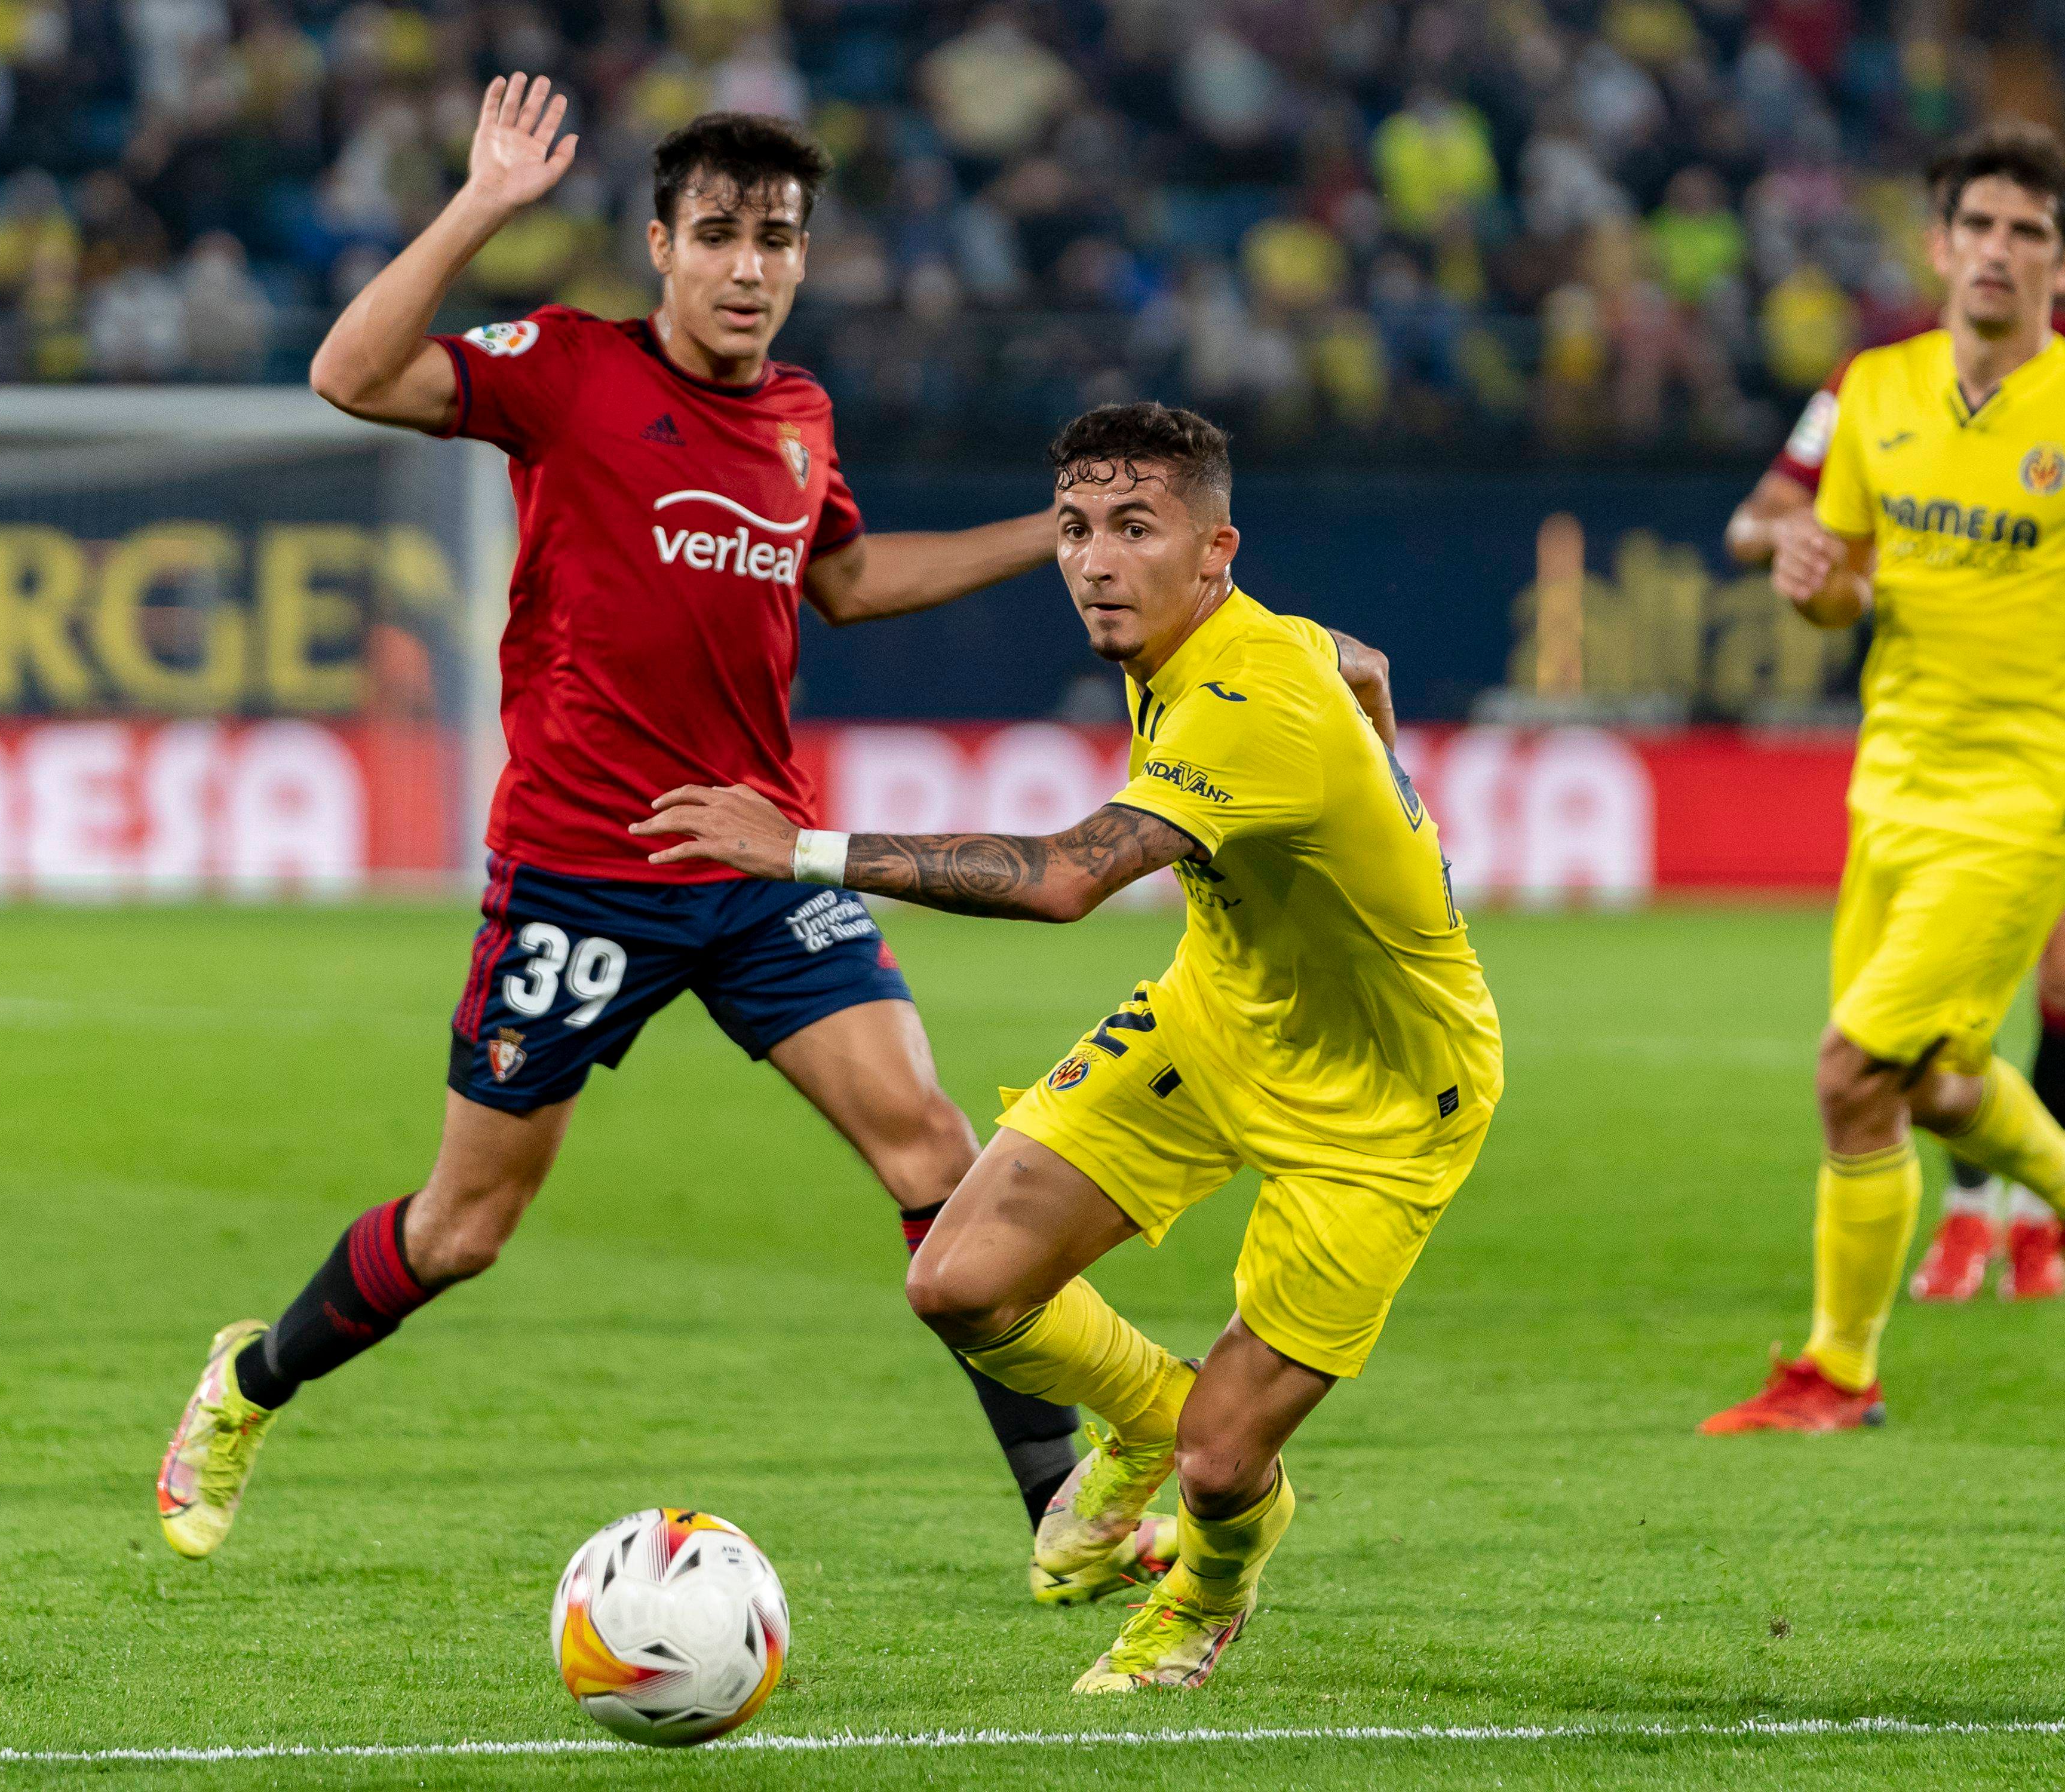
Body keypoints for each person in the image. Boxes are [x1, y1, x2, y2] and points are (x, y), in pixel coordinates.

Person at [156, 84, 1094, 1560]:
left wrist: (1058, 533)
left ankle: (1063, 1506)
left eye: (775, 239)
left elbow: (844, 582)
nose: (747, 266)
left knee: (932, 1150)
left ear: (802, 260)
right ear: (660, 245)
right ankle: (249, 1383)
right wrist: (481, 207)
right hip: (583, 874)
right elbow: (347, 373)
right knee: (464, 1230)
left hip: (758, 860)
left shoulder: (799, 415)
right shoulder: (570, 371)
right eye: (715, 234)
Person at [639, 400, 1503, 1692]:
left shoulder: (1251, 701)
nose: (1096, 562)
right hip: (1222, 1015)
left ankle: (1201, 1600)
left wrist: (802, 848)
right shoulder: (1211, 634)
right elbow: (1364, 662)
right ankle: (1157, 1420)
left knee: (1226, 1466)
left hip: (1385, 1097)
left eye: (1135, 530)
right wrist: (1398, 802)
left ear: (1219, 549)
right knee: (960, 1282)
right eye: (1076, 529)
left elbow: (1060, 880)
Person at [1702, 124, 2065, 1435]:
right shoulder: (1875, 390)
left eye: (2029, 234)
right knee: (1935, 1080)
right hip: (1895, 779)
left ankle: (1837, 1375)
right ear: (1939, 246)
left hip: (2033, 791)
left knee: (1854, 1071)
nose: (1999, 254)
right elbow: (1840, 583)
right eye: (1980, 227)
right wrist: (1809, 577)